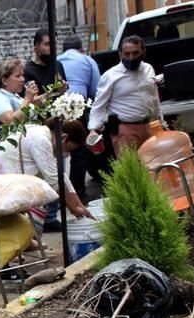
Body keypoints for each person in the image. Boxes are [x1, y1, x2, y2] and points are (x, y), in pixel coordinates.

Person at [0, 117, 92, 233]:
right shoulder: (41, 140)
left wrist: (79, 206)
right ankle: (20, 240)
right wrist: (74, 209)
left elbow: (60, 175)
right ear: (64, 137)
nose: (66, 154)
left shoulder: (40, 131)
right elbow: (55, 181)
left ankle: (23, 240)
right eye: (68, 149)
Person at [88, 35, 164, 157]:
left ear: (143, 52)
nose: (131, 57)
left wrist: (161, 122)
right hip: (126, 130)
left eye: (135, 53)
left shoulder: (148, 69)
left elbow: (154, 97)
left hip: (150, 127)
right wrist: (93, 130)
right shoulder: (111, 76)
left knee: (155, 167)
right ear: (120, 54)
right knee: (131, 170)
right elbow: (99, 105)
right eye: (127, 54)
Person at [25, 29, 69, 231]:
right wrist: (52, 92)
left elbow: (62, 91)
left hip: (56, 124)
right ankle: (40, 218)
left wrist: (63, 90)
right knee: (43, 174)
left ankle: (52, 215)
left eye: (53, 44)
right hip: (38, 129)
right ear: (36, 47)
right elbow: (31, 102)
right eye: (46, 44)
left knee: (59, 169)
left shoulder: (57, 65)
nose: (51, 49)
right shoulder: (29, 71)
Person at [57, 35, 102, 201]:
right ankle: (78, 193)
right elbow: (95, 90)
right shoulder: (87, 60)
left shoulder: (56, 60)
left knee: (57, 151)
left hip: (57, 109)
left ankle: (59, 194)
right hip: (77, 109)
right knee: (79, 151)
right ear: (81, 49)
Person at [0, 58, 39, 133]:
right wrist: (27, 99)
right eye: (18, 76)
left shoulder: (14, 96)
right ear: (5, 81)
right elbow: (11, 122)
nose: (23, 79)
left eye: (22, 75)